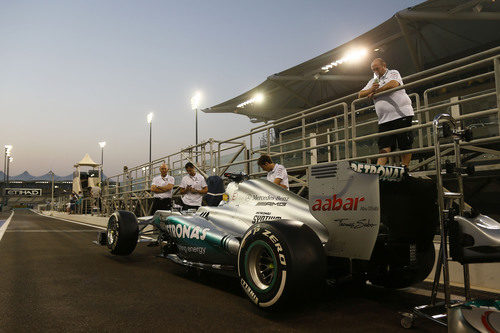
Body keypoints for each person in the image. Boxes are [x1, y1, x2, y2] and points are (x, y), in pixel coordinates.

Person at [358, 58, 414, 167]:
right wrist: (370, 90)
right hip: (384, 119)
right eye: (373, 69)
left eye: (377, 68)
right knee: (384, 145)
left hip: (401, 114)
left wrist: (376, 92)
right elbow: (360, 94)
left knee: (404, 143)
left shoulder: (393, 73)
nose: (375, 71)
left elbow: (393, 84)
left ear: (384, 65)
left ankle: (405, 168)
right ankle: (379, 170)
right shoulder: (373, 81)